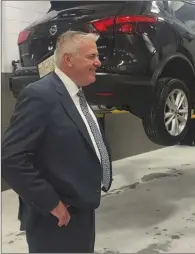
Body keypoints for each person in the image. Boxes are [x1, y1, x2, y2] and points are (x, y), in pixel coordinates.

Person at [1, 31, 113, 253]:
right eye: (91, 56)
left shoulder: (77, 96)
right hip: (55, 218)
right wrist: (51, 203)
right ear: (68, 59)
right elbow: (11, 158)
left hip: (81, 207)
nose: (98, 62)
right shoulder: (39, 95)